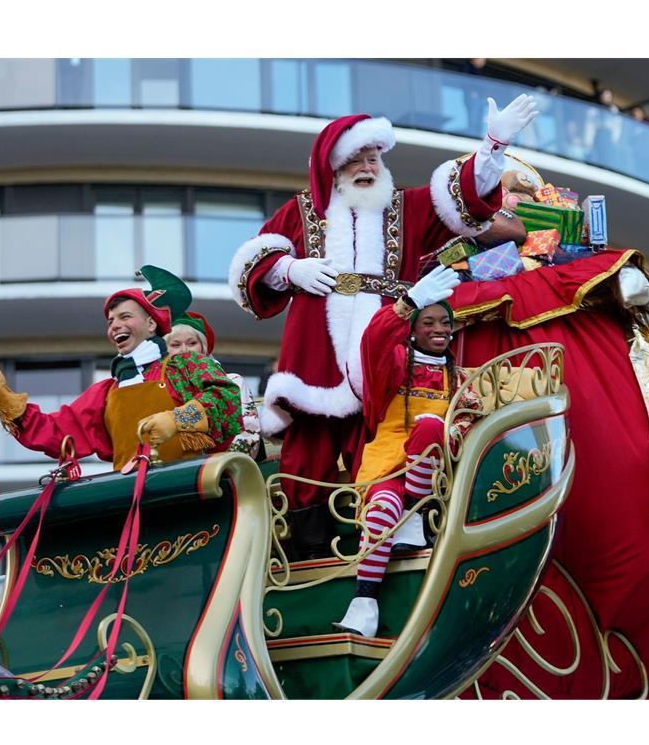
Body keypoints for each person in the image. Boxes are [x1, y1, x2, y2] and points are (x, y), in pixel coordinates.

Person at [229, 96, 538, 558]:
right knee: (307, 453)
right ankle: (302, 557)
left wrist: (492, 146)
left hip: (386, 347)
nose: (367, 167)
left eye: (374, 158)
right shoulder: (301, 212)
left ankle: (388, 542)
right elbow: (253, 263)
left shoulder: (408, 207)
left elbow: (464, 199)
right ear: (334, 167)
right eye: (356, 159)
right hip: (316, 351)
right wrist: (292, 270)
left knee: (385, 438)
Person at [0, 266, 242, 469]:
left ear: (151, 324)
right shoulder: (106, 392)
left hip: (195, 492)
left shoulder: (184, 364)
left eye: (125, 316)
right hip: (133, 503)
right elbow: (57, 433)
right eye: (110, 321)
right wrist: (2, 397)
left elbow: (227, 400)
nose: (115, 325)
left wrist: (177, 421)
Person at [333, 266, 483, 637]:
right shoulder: (396, 365)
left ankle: (414, 516)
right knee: (383, 507)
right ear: (413, 330)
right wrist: (408, 303)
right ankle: (363, 604)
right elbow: (374, 343)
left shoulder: (461, 378)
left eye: (445, 322)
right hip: (386, 466)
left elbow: (471, 421)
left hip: (434, 478)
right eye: (428, 321)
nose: (439, 329)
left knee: (431, 426)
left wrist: (457, 429)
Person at [165, 311, 263, 460]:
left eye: (192, 343)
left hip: (226, 468)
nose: (184, 349)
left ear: (203, 347)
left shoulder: (230, 381)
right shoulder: (160, 386)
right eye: (175, 345)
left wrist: (225, 468)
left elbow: (247, 433)